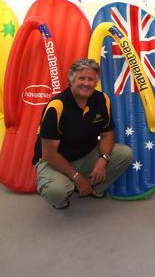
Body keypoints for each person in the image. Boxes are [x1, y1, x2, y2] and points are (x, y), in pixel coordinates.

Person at [32, 58, 132, 209]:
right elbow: (49, 154)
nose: (86, 83)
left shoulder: (102, 99)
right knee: (57, 191)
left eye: (91, 79)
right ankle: (64, 194)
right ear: (71, 81)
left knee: (125, 154)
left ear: (96, 82)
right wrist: (77, 177)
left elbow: (108, 133)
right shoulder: (56, 107)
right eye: (81, 78)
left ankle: (93, 188)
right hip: (53, 160)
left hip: (86, 155)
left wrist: (103, 159)